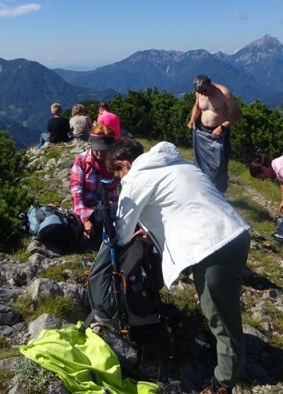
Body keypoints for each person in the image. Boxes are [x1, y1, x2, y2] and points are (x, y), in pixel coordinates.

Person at [107, 138, 251, 394]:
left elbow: (121, 233)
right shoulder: (178, 164)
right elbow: (178, 207)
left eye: (116, 174)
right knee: (224, 306)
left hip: (212, 247)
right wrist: (150, 231)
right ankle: (229, 359)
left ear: (122, 164)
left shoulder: (136, 177)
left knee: (220, 316)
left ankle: (223, 383)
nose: (118, 180)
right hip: (235, 234)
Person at [187, 74, 243, 193]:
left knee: (219, 165)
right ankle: (203, 189)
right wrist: (192, 120)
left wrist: (221, 127)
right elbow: (197, 106)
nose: (202, 94)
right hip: (203, 132)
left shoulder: (223, 93)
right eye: (200, 92)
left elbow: (238, 114)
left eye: (204, 91)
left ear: (210, 85)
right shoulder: (200, 92)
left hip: (219, 133)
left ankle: (219, 192)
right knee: (201, 163)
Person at [70, 124, 119, 245]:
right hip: (87, 209)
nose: (100, 153)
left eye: (104, 149)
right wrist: (85, 219)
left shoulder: (115, 163)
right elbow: (76, 192)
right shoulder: (81, 160)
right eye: (97, 148)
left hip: (108, 208)